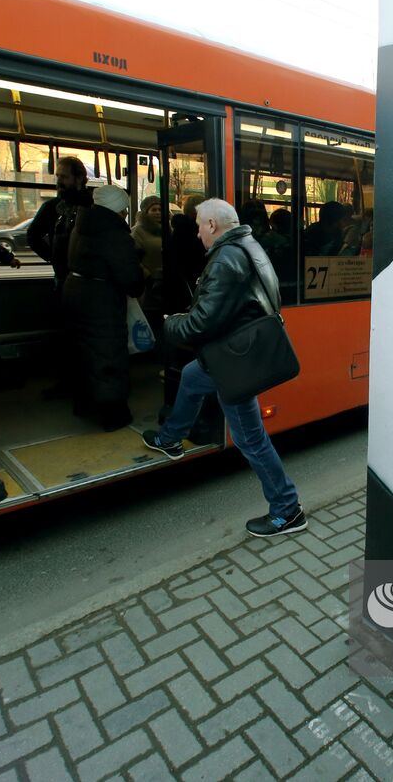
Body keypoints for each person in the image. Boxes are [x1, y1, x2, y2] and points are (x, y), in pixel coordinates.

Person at [141, 197, 306, 538]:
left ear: (212, 226)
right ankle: (171, 438)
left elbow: (200, 324)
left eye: (200, 225)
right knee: (191, 375)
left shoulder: (225, 260)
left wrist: (171, 323)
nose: (198, 232)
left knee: (251, 440)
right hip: (231, 353)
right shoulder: (248, 245)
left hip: (235, 362)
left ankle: (287, 510)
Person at [64, 184, 144, 431]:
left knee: (82, 353)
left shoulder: (82, 226)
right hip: (102, 299)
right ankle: (113, 415)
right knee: (108, 353)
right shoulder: (114, 234)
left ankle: (84, 405)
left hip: (75, 292)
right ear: (118, 210)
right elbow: (129, 276)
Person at [28, 155, 93, 288]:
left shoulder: (94, 205)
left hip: (91, 277)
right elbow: (33, 236)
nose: (59, 182)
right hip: (64, 277)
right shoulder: (52, 207)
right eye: (58, 176)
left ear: (79, 178)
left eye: (64, 177)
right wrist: (54, 257)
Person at [131, 194, 165, 331]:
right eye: (153, 210)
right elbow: (133, 258)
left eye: (159, 209)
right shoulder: (137, 231)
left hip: (164, 284)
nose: (157, 213)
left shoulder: (166, 229)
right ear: (146, 212)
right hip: (148, 285)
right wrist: (148, 276)